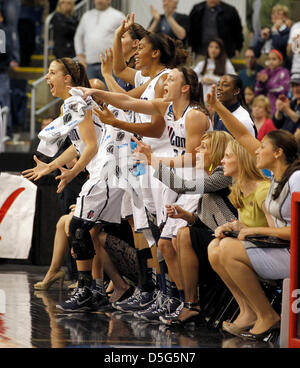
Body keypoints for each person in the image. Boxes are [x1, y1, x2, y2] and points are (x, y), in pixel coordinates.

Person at [206, 83, 300, 341]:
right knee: (217, 246)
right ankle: (249, 312)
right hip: (279, 248)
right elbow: (242, 136)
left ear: (278, 153)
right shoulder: (278, 175)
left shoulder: (296, 179)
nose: (256, 150)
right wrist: (217, 108)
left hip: (293, 253)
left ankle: (267, 315)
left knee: (226, 249)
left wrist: (253, 230)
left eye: (263, 148)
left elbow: (296, 231)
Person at [22, 57, 116, 312]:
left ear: (67, 79)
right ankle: (102, 288)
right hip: (103, 171)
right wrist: (51, 166)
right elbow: (78, 147)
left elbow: (93, 147)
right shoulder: (70, 104)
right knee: (86, 229)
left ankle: (88, 290)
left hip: (106, 171)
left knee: (78, 226)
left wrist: (72, 173)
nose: (48, 78)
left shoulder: (76, 101)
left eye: (52, 73)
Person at [144, 130, 237, 325]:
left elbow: (180, 185)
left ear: (218, 152)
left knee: (183, 234)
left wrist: (151, 159)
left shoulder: (223, 177)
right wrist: (189, 217)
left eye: (204, 147)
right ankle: (186, 301)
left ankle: (191, 304)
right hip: (221, 235)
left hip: (233, 239)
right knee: (178, 236)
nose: (196, 149)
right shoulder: (216, 176)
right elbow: (213, 220)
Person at [74, 0, 125, 81]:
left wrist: (121, 59)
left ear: (109, 1)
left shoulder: (118, 16)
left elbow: (126, 37)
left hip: (111, 64)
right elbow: (78, 36)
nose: (99, 0)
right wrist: (80, 55)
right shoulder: (86, 16)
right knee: (90, 92)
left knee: (110, 92)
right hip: (90, 64)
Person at [254, 49, 290, 115]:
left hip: (278, 110)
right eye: (269, 59)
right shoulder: (264, 72)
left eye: (274, 59)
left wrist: (267, 81)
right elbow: (257, 93)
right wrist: (260, 82)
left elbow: (283, 91)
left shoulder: (284, 72)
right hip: (264, 111)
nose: (271, 62)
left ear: (280, 61)